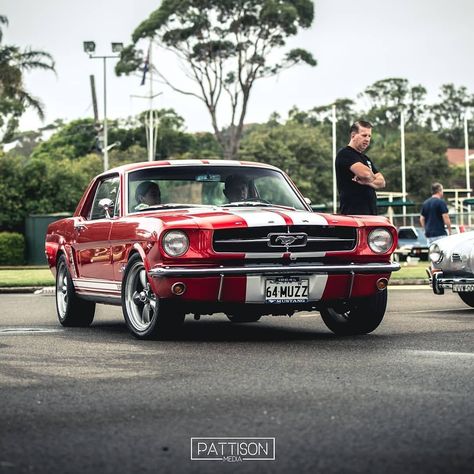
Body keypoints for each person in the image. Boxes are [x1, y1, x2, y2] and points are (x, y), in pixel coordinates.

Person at [335, 120, 385, 215]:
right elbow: (365, 174)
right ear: (353, 136)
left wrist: (367, 182)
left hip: (371, 215)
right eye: (364, 135)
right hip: (353, 216)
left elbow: (382, 182)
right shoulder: (345, 154)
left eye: (369, 136)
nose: (367, 139)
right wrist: (371, 178)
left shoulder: (366, 158)